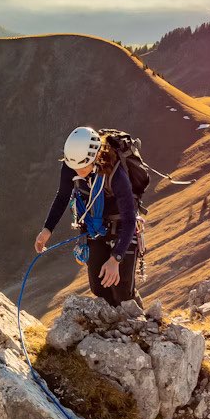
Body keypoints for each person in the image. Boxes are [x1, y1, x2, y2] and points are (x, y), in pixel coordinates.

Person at [34, 126, 139, 307]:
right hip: (94, 229)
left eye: (82, 167)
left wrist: (116, 259)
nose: (76, 172)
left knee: (122, 291)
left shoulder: (115, 175)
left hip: (121, 229)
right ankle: (112, 331)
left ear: (95, 157)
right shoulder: (71, 165)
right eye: (74, 167)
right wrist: (47, 229)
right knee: (99, 288)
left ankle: (138, 326)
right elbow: (62, 197)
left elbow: (130, 219)